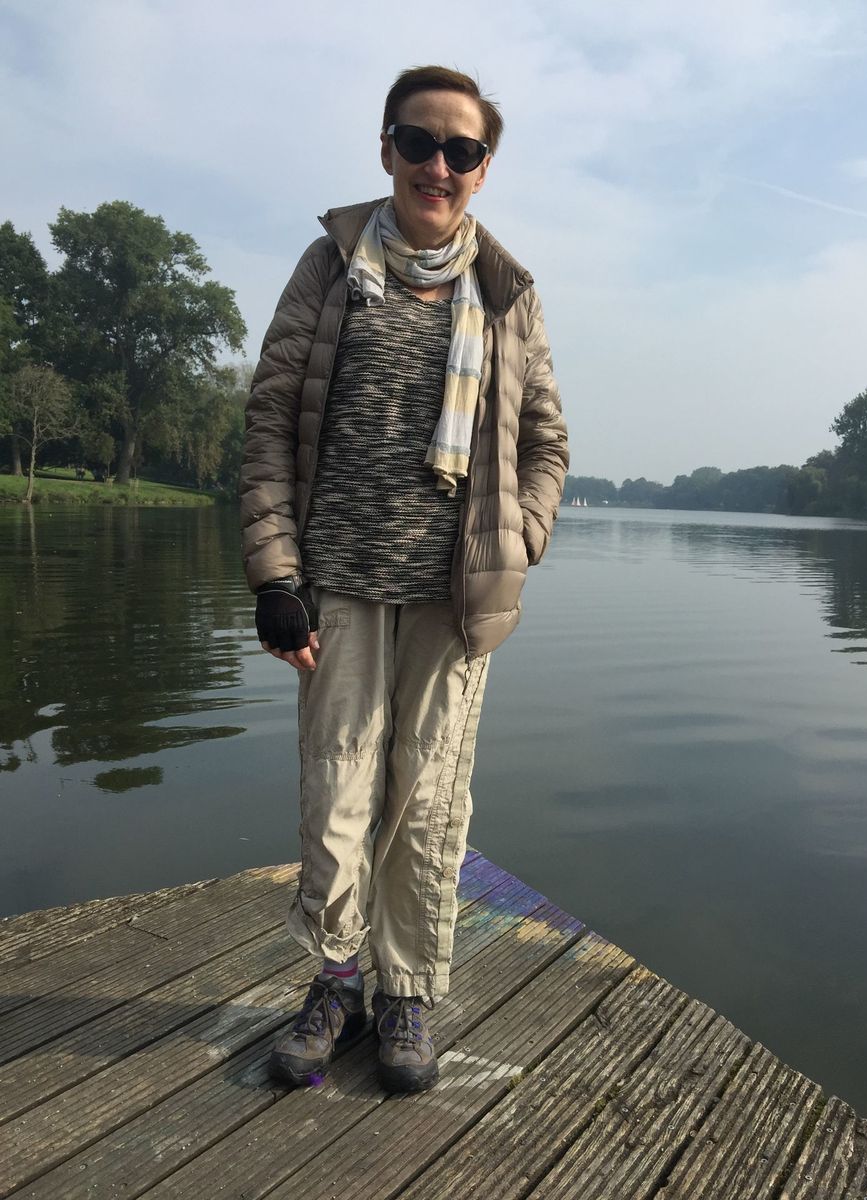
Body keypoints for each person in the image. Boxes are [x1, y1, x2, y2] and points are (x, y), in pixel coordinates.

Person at [239, 65, 568, 1095]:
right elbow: (269, 423)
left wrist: (520, 538)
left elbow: (547, 442)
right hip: (335, 582)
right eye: (419, 142)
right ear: (386, 149)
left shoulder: (507, 294)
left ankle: (407, 992)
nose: (438, 164)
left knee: (428, 800)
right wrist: (275, 576)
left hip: (452, 598)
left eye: (461, 150)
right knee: (339, 788)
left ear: (483, 169)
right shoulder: (329, 268)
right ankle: (337, 979)